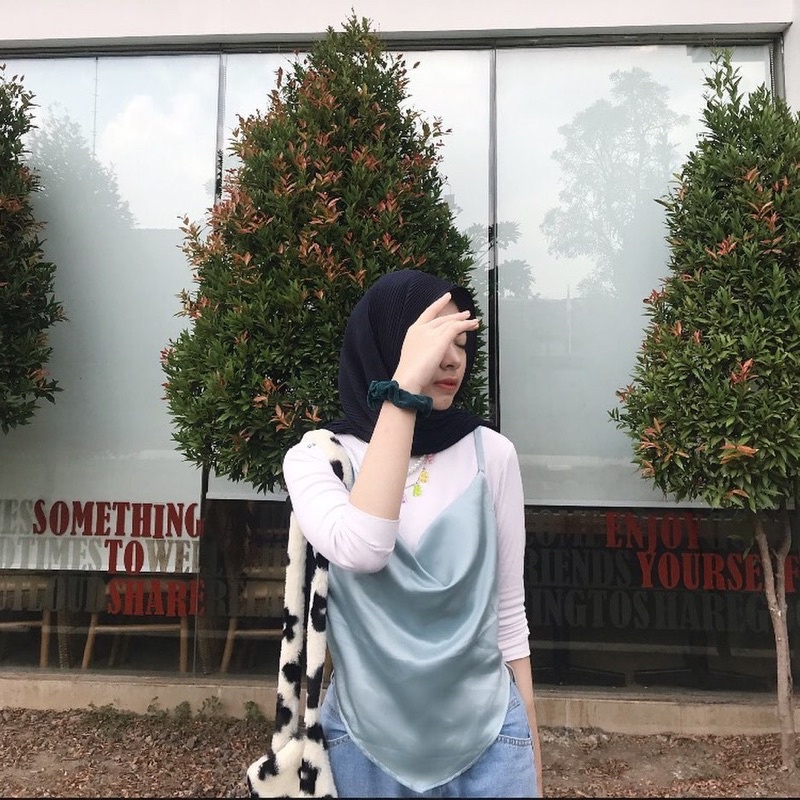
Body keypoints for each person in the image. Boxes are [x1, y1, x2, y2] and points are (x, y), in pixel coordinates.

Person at [282, 269, 542, 798]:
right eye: (434, 339)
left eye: (461, 342)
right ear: (388, 344)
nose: (453, 359)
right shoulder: (319, 458)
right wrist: (401, 394)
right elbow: (365, 548)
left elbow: (509, 615)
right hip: (363, 747)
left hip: (492, 741)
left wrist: (531, 753)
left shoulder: (490, 453)